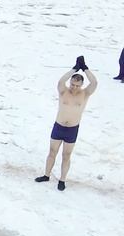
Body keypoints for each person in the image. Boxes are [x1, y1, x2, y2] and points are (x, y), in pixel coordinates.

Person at [35, 56, 98, 191]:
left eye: (77, 85)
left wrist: (85, 69)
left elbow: (94, 83)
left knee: (66, 155)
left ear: (81, 85)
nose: (74, 88)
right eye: (72, 85)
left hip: (72, 129)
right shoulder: (63, 91)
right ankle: (46, 175)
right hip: (59, 127)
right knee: (52, 152)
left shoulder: (85, 93)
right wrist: (74, 69)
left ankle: (62, 180)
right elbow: (61, 81)